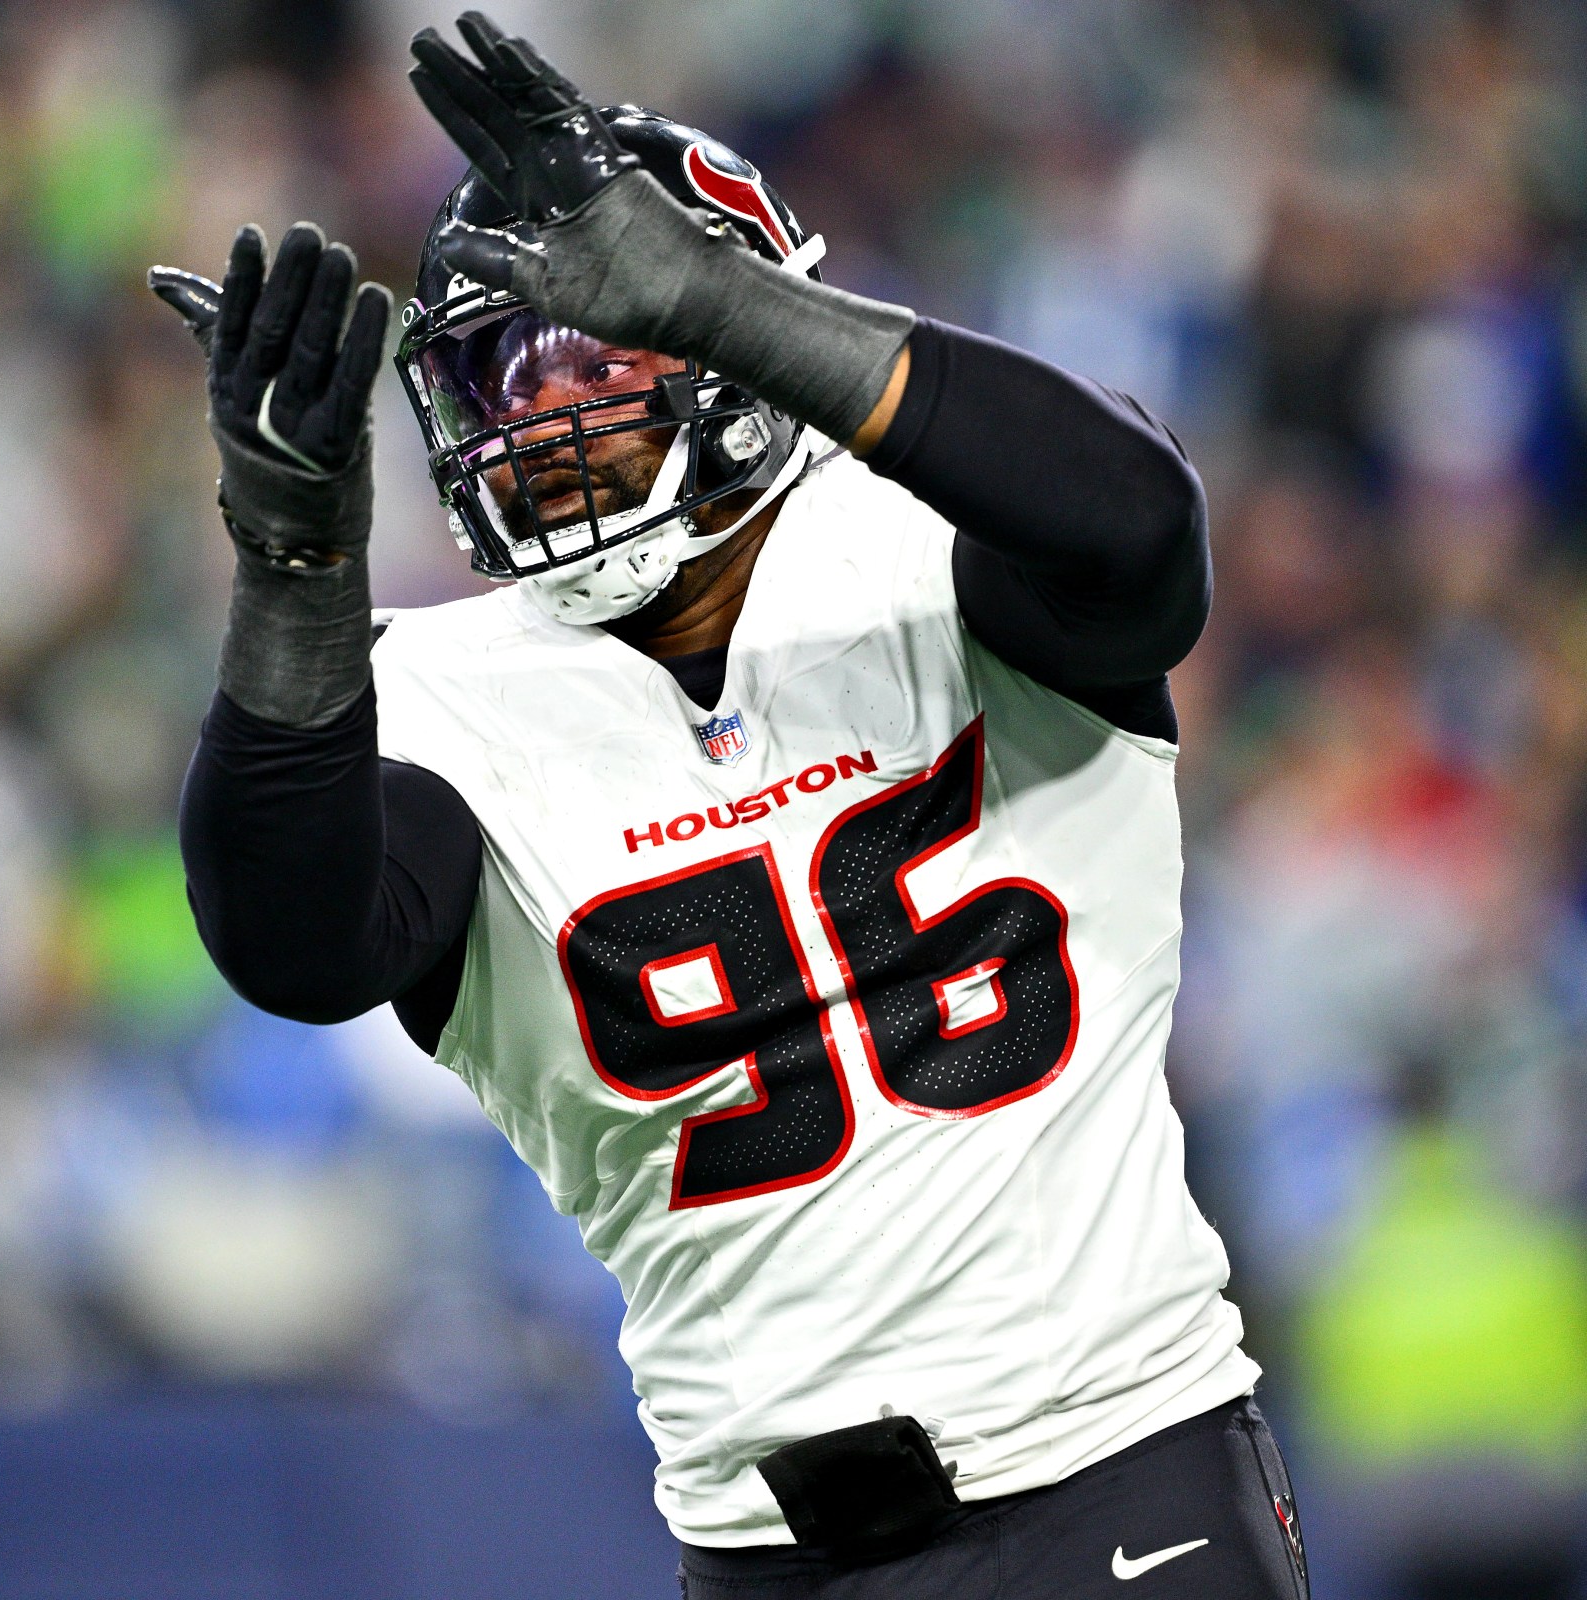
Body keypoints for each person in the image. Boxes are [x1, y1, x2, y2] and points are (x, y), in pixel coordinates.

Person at [153, 14, 1306, 1596]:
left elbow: (1136, 532)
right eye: (495, 370)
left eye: (592, 348)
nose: (536, 424)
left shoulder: (933, 542)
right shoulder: (429, 691)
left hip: (1114, 1466)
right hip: (764, 1551)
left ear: (720, 327)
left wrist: (728, 298)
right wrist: (290, 570)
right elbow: (289, 946)